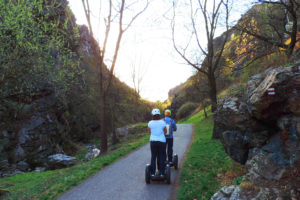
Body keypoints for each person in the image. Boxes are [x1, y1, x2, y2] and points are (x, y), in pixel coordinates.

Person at [148, 108, 167, 177]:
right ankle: (161, 173)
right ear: (159, 115)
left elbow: (149, 132)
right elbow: (165, 131)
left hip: (153, 141)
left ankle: (152, 173)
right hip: (162, 141)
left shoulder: (150, 123)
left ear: (153, 115)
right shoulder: (163, 122)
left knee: (153, 157)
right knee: (162, 157)